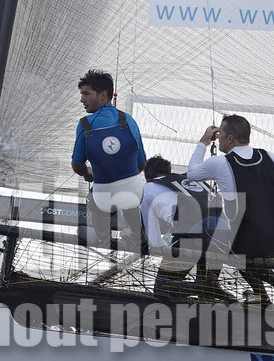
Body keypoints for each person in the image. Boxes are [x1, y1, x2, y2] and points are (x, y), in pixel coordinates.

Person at [183, 114, 274, 303]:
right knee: (237, 235)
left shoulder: (220, 163)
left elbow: (191, 174)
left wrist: (203, 143)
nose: (218, 138)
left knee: (210, 230)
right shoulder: (270, 156)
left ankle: (208, 289)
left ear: (230, 138)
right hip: (272, 241)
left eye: (220, 134)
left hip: (242, 244)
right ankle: (262, 288)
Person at [70, 70, 146, 248]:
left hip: (103, 199)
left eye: (86, 94)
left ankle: (103, 237)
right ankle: (138, 235)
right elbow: (141, 163)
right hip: (134, 194)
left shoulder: (84, 125)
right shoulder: (128, 120)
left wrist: (88, 173)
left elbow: (77, 165)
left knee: (94, 197)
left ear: (103, 95)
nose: (82, 99)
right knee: (128, 192)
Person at [140, 155, 231, 302]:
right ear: (168, 172)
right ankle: (208, 290)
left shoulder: (148, 188)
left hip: (191, 237)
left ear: (147, 177)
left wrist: (160, 247)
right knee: (206, 296)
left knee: (162, 289)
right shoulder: (193, 182)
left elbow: (152, 236)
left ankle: (200, 287)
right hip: (222, 239)